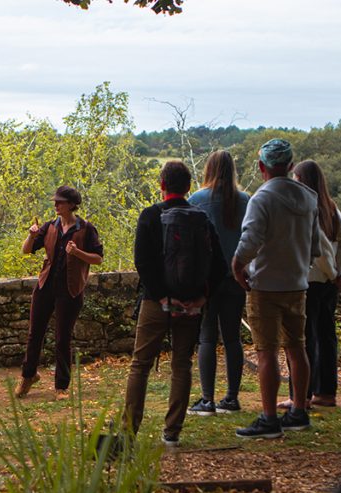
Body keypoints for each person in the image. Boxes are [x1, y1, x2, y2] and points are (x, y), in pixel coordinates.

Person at [123, 161, 226, 447]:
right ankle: (172, 432)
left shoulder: (149, 216)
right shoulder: (201, 218)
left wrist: (162, 296)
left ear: (162, 185)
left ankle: (129, 431)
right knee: (181, 364)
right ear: (189, 187)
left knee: (140, 365)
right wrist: (202, 297)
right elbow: (219, 266)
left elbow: (142, 262)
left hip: (156, 304)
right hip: (191, 305)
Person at [232, 139, 321, 439]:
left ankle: (269, 418)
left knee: (266, 351)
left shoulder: (261, 199)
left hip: (265, 286)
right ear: (291, 166)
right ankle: (299, 411)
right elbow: (315, 247)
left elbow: (250, 240)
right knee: (297, 348)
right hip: (297, 284)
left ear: (261, 167)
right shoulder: (310, 197)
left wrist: (237, 266)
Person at [277, 160, 341, 410]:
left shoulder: (308, 208)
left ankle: (303, 395)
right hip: (327, 284)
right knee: (325, 336)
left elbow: (321, 249)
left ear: (302, 180)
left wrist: (335, 273)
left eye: (296, 177)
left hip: (310, 283)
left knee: (303, 339)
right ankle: (325, 392)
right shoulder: (331, 208)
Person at [14, 186, 103, 400]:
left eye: (60, 202)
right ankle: (28, 376)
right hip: (46, 287)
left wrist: (78, 252)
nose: (56, 205)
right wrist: (31, 235)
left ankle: (61, 386)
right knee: (35, 333)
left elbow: (98, 258)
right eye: (55, 201)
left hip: (70, 290)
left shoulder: (86, 229)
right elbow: (26, 250)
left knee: (63, 338)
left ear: (72, 204)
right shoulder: (50, 227)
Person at [187, 151, 250, 415]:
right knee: (233, 337)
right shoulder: (245, 200)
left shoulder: (197, 200)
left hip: (207, 280)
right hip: (236, 279)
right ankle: (232, 398)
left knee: (207, 338)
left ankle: (207, 399)